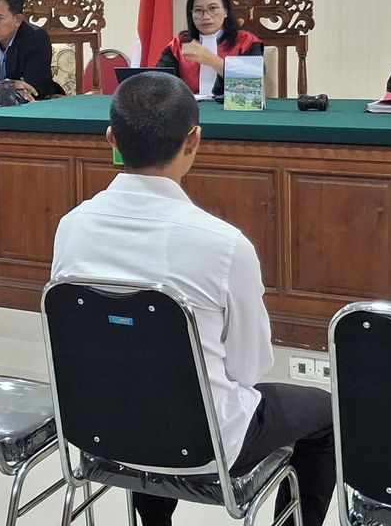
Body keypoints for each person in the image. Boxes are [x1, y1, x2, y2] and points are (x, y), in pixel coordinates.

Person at [51, 73, 334, 526]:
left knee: (141, 383)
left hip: (99, 429)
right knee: (325, 414)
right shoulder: (224, 245)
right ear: (195, 140)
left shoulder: (71, 226)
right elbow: (249, 369)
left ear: (111, 139)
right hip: (206, 446)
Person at [156, 0, 263, 96]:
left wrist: (212, 60)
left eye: (213, 8)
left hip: (232, 109)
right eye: (198, 10)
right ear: (191, 14)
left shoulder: (245, 41)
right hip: (189, 109)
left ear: (225, 11)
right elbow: (160, 83)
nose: (206, 16)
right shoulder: (178, 45)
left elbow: (253, 85)